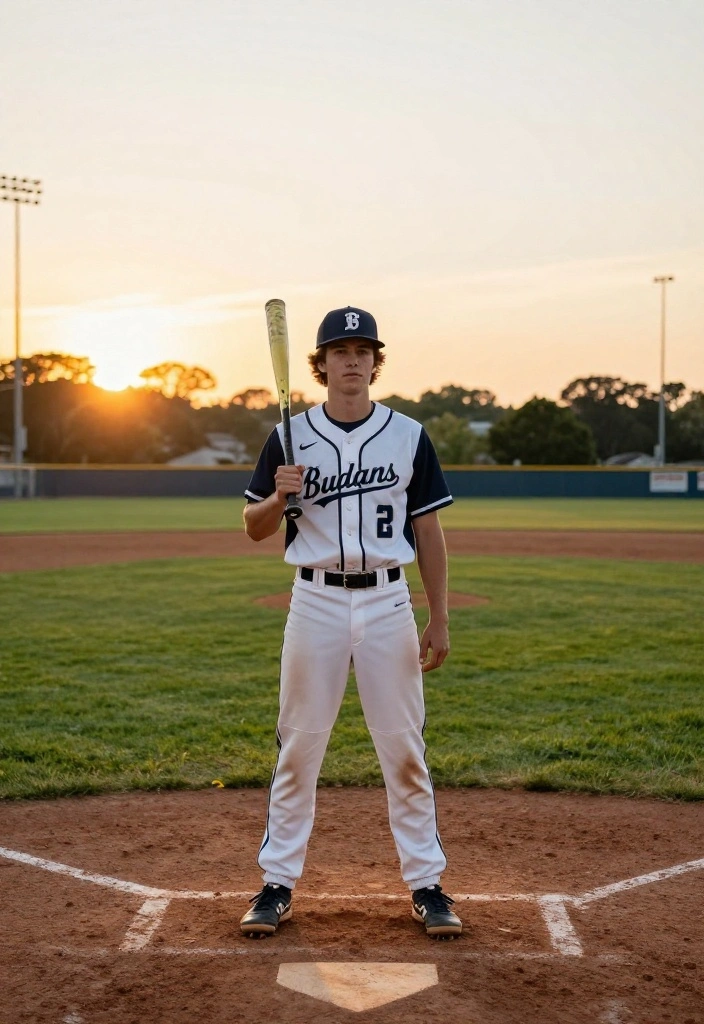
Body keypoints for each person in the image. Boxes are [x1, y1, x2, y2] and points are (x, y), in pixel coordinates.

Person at [240, 306, 462, 940]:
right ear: (322, 364)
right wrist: (280, 497)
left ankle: (427, 886)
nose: (353, 360)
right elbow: (254, 528)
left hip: (390, 602)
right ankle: (276, 884)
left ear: (375, 361)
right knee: (299, 747)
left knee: (404, 749)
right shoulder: (288, 437)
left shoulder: (408, 435)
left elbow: (429, 530)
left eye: (364, 350)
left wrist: (438, 615)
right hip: (314, 602)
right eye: (341, 350)